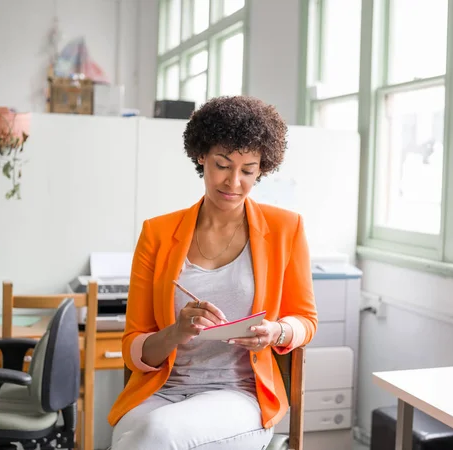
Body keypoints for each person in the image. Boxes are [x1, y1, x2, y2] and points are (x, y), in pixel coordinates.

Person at [108, 96, 318, 450]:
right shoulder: (157, 234)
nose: (234, 182)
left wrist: (276, 331)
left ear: (261, 169)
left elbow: (306, 322)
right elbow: (133, 345)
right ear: (201, 156)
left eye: (248, 170)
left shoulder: (286, 228)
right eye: (222, 164)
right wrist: (176, 332)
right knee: (135, 435)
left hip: (239, 394)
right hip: (162, 390)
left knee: (154, 436)